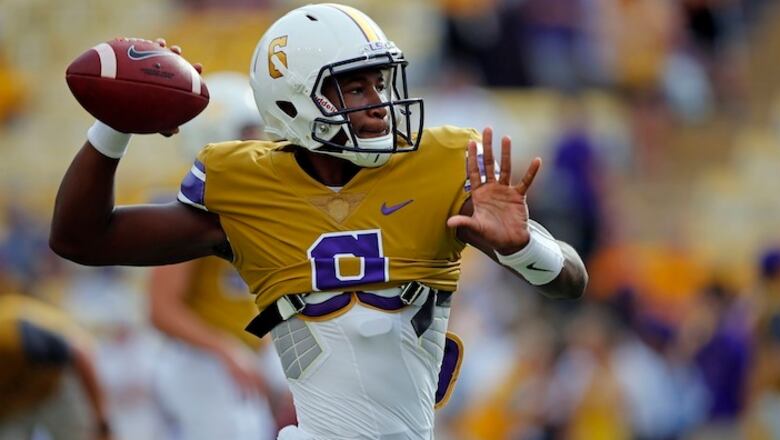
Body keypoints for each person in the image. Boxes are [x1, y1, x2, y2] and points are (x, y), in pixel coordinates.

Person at [50, 4, 587, 439]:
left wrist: (522, 249)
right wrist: (112, 127)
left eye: (381, 85)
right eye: (355, 89)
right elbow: (81, 238)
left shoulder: (443, 165)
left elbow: (571, 280)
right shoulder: (246, 189)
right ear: (294, 101)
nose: (379, 105)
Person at [148, 72, 291, 440]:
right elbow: (161, 310)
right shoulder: (191, 210)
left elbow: (242, 302)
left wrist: (265, 346)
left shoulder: (244, 210)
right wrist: (225, 350)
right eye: (246, 133)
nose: (257, 145)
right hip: (200, 364)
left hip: (234, 362)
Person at [0, 290, 112, 440]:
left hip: (57, 378)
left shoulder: (9, 334)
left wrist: (101, 420)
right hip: (15, 399)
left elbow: (79, 355)